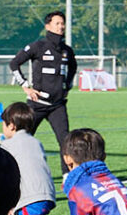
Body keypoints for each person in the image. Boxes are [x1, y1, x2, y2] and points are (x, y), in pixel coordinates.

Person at [0, 102, 83, 215]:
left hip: (29, 197)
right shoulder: (35, 142)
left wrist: (9, 203)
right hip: (43, 194)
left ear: (11, 125)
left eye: (4, 124)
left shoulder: (7, 146)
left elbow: (9, 176)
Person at [10, 10, 78, 145]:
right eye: (57, 23)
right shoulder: (38, 46)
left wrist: (67, 86)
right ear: (48, 26)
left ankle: (70, 167)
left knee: (66, 143)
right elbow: (14, 63)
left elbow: (73, 68)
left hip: (58, 105)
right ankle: (14, 165)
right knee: (23, 140)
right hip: (37, 104)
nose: (61, 26)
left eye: (62, 23)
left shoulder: (67, 50)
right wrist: (25, 86)